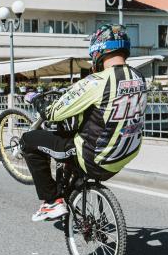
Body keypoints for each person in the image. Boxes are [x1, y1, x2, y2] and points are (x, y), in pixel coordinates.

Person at [22, 25, 147, 222]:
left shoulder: (95, 81)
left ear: (98, 51)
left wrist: (37, 100)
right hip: (124, 155)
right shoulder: (139, 78)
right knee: (75, 138)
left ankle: (52, 201)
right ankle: (74, 185)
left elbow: (52, 113)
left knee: (28, 140)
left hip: (94, 157)